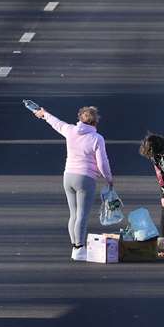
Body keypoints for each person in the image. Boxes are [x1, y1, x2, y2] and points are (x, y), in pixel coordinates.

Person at [31, 104, 114, 261]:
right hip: (85, 179)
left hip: (68, 176)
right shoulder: (97, 138)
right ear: (95, 122)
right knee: (82, 214)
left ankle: (75, 246)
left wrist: (44, 114)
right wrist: (109, 179)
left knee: (74, 214)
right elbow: (102, 163)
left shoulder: (70, 130)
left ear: (80, 119)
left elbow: (56, 122)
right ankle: (79, 248)